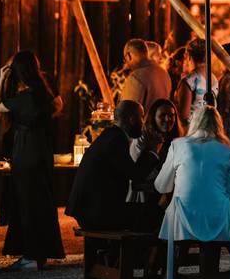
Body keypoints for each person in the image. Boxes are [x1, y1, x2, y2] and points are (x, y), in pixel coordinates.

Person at [0, 51, 65, 271]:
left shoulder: (25, 98)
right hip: (41, 149)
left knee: (27, 203)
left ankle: (31, 255)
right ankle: (40, 253)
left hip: (25, 150)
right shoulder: (44, 94)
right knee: (42, 202)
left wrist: (1, 80)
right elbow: (57, 107)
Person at [155, 107, 230, 279]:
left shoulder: (178, 145)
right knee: (219, 210)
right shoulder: (227, 151)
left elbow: (161, 185)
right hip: (216, 217)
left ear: (194, 122)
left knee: (177, 208)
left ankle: (170, 275)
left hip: (182, 218)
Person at [65, 99, 161, 231]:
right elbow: (136, 175)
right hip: (96, 213)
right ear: (132, 119)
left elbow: (131, 172)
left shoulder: (111, 135)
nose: (143, 122)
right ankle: (137, 252)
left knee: (147, 211)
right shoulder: (116, 140)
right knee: (156, 213)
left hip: (91, 209)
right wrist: (153, 150)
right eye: (142, 117)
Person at [129, 99, 185, 231]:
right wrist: (155, 149)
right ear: (153, 118)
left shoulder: (177, 141)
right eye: (162, 115)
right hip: (142, 198)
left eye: (171, 115)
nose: (167, 119)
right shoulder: (142, 138)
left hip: (165, 194)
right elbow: (135, 174)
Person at [174, 39, 219, 128]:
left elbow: (184, 116)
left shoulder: (189, 81)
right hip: (209, 128)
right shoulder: (213, 78)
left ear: (189, 56)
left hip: (192, 131)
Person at [121, 38, 172, 111]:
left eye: (125, 59)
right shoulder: (164, 74)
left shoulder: (136, 77)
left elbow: (127, 112)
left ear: (129, 56)